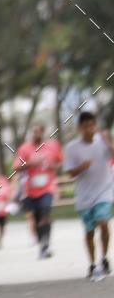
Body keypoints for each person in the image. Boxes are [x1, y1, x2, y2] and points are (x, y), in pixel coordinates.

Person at [64, 112, 114, 281]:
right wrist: (81, 168)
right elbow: (70, 173)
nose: (89, 129)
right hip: (85, 196)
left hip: (104, 191)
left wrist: (109, 141)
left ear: (96, 125)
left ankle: (104, 257)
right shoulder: (72, 148)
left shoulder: (103, 142)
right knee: (90, 231)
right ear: (80, 128)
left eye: (92, 125)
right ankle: (92, 263)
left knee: (103, 222)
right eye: (85, 126)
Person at [13, 122, 64, 259]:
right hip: (31, 191)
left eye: (38, 131)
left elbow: (61, 161)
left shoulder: (53, 146)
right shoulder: (25, 148)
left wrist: (54, 166)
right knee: (36, 220)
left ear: (43, 132)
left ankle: (45, 243)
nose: (36, 134)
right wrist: (31, 163)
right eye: (34, 132)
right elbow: (16, 167)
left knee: (45, 209)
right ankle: (43, 242)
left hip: (48, 187)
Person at [0, 174, 12, 250]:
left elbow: (8, 195)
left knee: (1, 227)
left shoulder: (4, 182)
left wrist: (6, 206)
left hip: (2, 210)